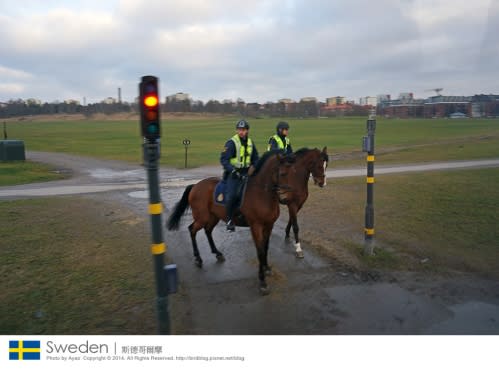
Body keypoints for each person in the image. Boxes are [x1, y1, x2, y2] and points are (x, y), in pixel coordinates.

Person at [220, 119, 259, 231]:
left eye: (243, 130)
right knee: (233, 195)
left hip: (247, 173)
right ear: (237, 130)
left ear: (247, 131)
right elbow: (224, 160)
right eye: (239, 130)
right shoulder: (231, 143)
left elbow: (256, 158)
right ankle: (229, 220)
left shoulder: (251, 143)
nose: (241, 132)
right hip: (233, 174)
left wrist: (254, 167)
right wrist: (233, 171)